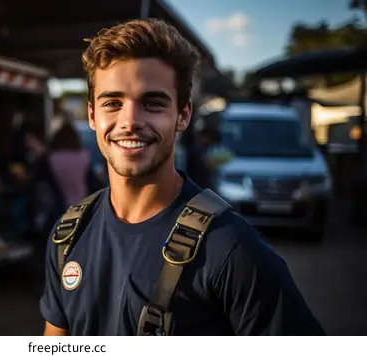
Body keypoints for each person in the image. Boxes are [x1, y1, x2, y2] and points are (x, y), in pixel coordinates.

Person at [39, 18, 326, 336]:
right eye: (113, 103)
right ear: (92, 115)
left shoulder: (232, 249)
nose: (130, 121)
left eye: (152, 103)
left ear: (183, 115)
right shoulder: (68, 234)